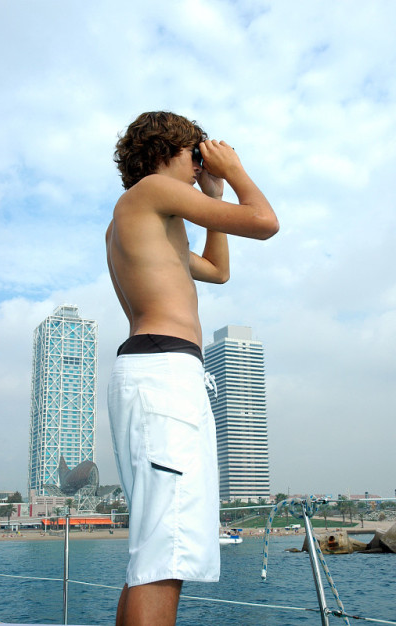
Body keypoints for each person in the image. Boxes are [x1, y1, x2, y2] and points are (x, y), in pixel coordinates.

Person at [106, 111, 279, 626]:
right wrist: (234, 170)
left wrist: (214, 194)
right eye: (196, 154)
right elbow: (265, 222)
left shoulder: (147, 217)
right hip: (163, 373)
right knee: (166, 552)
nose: (201, 164)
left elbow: (219, 271)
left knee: (157, 548)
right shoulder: (153, 190)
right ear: (167, 151)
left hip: (162, 373)